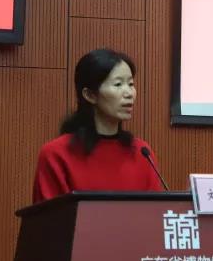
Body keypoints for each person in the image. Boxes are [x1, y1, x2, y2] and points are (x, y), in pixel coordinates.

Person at [32, 47, 165, 202]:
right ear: (90, 95)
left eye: (130, 84)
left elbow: (156, 212)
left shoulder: (142, 153)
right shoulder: (56, 154)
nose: (129, 93)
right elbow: (49, 215)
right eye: (118, 84)